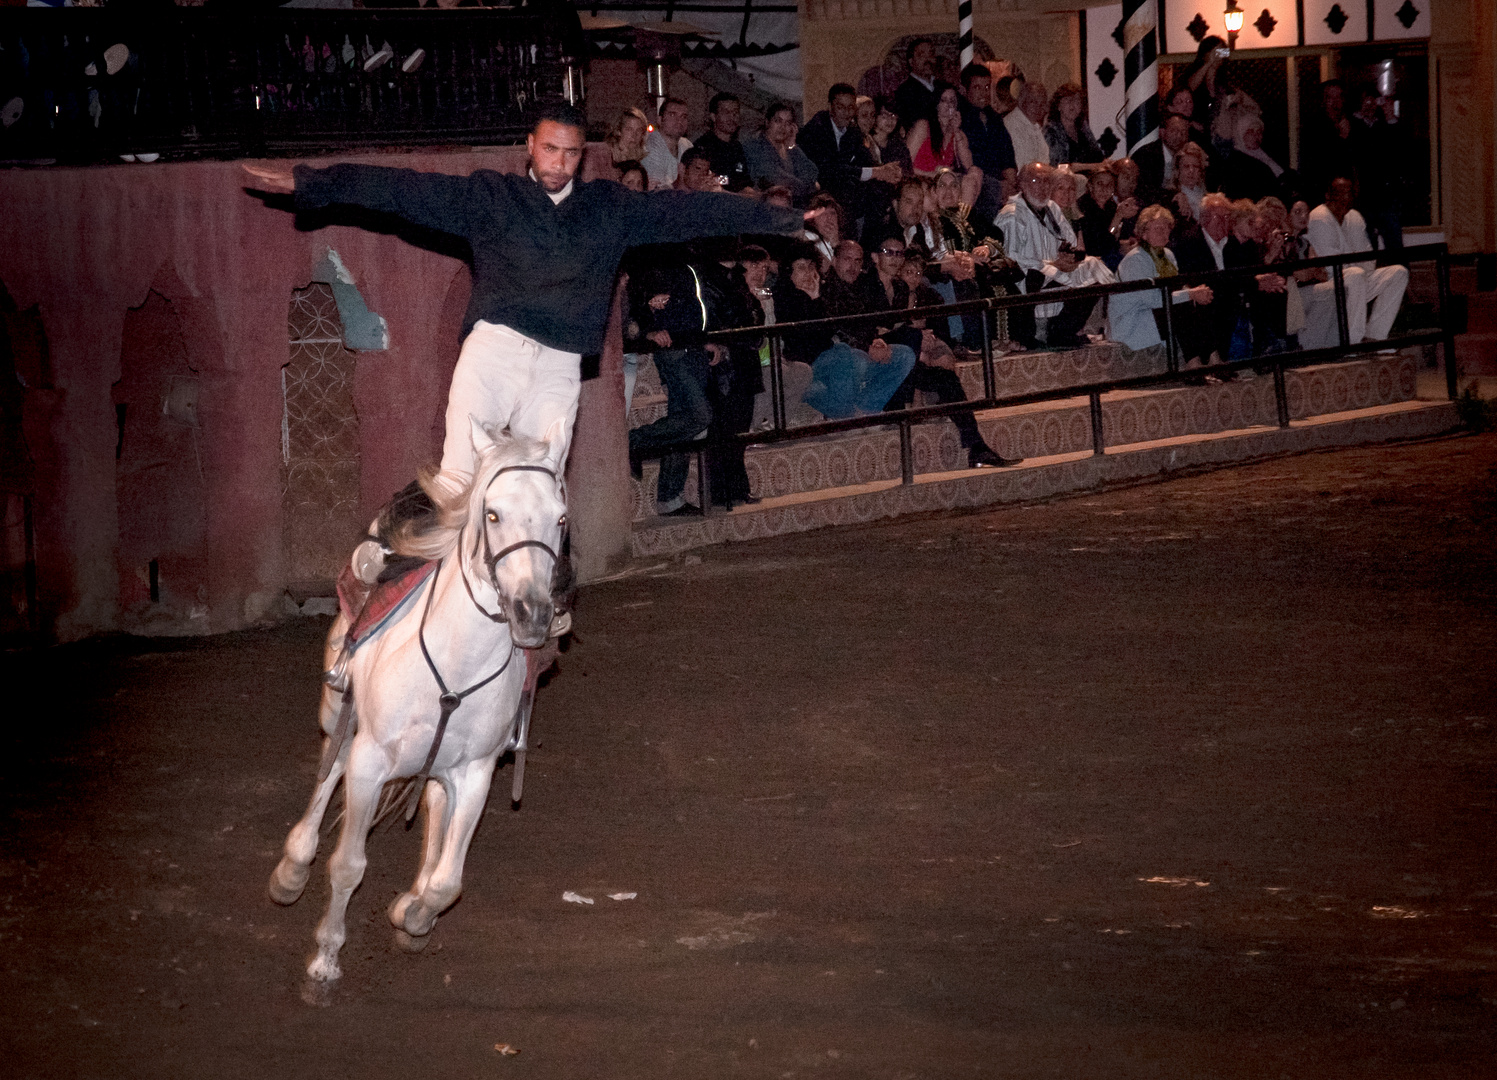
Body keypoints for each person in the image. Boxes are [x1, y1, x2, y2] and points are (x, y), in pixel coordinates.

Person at [244, 103, 816, 580]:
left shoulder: (608, 208)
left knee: (544, 487)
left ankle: (546, 597)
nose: (559, 164)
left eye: (571, 154)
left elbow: (690, 211)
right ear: (530, 146)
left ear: (583, 156)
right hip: (493, 353)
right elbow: (401, 190)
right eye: (550, 150)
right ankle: (386, 555)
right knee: (457, 477)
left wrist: (782, 221)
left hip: (560, 367)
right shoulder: (492, 198)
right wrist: (313, 182)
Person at [852, 234, 1019, 467]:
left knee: (947, 378)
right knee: (911, 337)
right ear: (875, 257)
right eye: (889, 253)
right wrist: (905, 333)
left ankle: (977, 447)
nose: (895, 259)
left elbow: (897, 327)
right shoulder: (865, 285)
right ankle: (901, 407)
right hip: (878, 363)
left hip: (905, 361)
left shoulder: (901, 287)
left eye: (900, 253)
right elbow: (867, 330)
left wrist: (911, 334)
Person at [774, 247, 917, 420]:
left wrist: (875, 341)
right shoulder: (782, 297)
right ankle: (848, 417)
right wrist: (814, 300)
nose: (808, 273)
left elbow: (848, 328)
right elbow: (804, 341)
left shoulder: (824, 292)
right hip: (807, 365)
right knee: (842, 355)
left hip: (835, 358)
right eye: (801, 267)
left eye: (811, 267)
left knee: (904, 354)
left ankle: (865, 410)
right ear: (789, 272)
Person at [994, 161, 1116, 350]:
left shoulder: (1052, 208)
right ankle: (1028, 334)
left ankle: (1063, 330)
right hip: (1026, 276)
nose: (1042, 186)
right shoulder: (1012, 214)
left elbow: (1070, 243)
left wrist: (1069, 258)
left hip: (1055, 268)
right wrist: (1053, 264)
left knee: (1094, 268)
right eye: (1035, 180)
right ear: (1022, 184)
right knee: (1036, 273)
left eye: (1046, 181)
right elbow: (1011, 258)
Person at [1306, 177, 1408, 345]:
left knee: (1398, 272)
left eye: (1348, 194)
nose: (1344, 199)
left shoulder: (1355, 216)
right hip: (1330, 283)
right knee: (1356, 274)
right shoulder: (1319, 216)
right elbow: (1331, 265)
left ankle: (1376, 336)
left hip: (1357, 279)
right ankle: (1352, 341)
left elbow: (1367, 255)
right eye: (1339, 194)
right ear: (1328, 196)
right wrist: (1357, 269)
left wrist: (1361, 271)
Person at [1109, 205, 1213, 356]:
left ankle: (1212, 361)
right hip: (1131, 321)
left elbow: (1176, 288)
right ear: (1143, 234)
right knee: (1182, 309)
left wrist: (1196, 294)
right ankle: (1194, 366)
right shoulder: (1136, 259)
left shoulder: (1167, 255)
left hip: (1153, 314)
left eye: (1167, 228)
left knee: (1202, 306)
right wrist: (1190, 294)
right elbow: (1153, 300)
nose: (1164, 233)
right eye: (1158, 229)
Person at [799, 83, 903, 226]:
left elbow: (866, 162)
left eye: (850, 108)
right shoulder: (817, 128)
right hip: (816, 194)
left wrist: (887, 171)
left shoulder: (852, 131)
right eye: (841, 107)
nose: (846, 113)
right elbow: (831, 170)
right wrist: (877, 172)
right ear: (830, 106)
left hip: (846, 199)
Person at [906, 86, 983, 209]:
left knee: (976, 173)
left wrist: (956, 130)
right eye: (944, 100)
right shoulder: (923, 126)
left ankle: (962, 220)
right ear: (936, 104)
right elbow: (905, 165)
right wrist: (933, 174)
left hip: (943, 181)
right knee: (930, 192)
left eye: (952, 101)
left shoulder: (957, 133)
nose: (949, 105)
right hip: (922, 178)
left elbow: (968, 164)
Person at [958, 61, 1018, 218]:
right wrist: (1000, 186)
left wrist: (1010, 184)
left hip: (1000, 183)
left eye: (986, 87)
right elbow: (969, 164)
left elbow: (1007, 155)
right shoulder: (961, 118)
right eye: (977, 87)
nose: (983, 93)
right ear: (965, 90)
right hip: (976, 184)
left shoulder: (994, 118)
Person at [1351, 84, 1404, 250]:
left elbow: (1399, 152)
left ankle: (1400, 274)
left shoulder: (1385, 126)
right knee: (1366, 245)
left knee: (1394, 244)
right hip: (1362, 197)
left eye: (1373, 102)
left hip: (1386, 197)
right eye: (1365, 102)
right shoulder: (1351, 125)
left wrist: (1391, 119)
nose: (1369, 107)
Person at [743, 101, 819, 205]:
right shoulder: (755, 146)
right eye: (778, 121)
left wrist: (793, 146)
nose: (782, 127)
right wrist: (809, 187)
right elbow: (776, 178)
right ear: (767, 122)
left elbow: (812, 173)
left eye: (787, 123)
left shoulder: (790, 149)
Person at [1217, 113, 1285, 202]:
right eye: (1251, 131)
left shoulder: (1267, 155)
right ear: (1241, 134)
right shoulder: (1234, 161)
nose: (1256, 136)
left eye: (1259, 132)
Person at [692, 93, 751, 193]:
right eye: (726, 113)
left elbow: (744, 180)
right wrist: (729, 180)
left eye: (735, 113)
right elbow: (706, 179)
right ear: (713, 117)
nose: (732, 118)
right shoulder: (703, 146)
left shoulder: (737, 147)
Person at [893, 37, 951, 131]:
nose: (928, 59)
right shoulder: (905, 91)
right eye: (921, 55)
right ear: (911, 62)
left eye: (931, 54)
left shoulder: (943, 87)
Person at [1133, 113, 1191, 203]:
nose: (1179, 136)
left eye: (1183, 133)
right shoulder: (1147, 155)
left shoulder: (1188, 156)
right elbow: (1144, 191)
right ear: (1162, 132)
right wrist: (1172, 196)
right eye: (1174, 131)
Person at [1043, 83, 1103, 168]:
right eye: (1068, 100)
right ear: (1058, 106)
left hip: (1091, 175)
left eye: (1077, 100)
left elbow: (1098, 156)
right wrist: (1093, 166)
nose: (1072, 104)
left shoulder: (1083, 126)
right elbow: (1059, 166)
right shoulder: (1051, 130)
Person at [642, 98, 693, 190]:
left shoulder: (686, 144)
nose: (679, 121)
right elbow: (657, 190)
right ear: (660, 120)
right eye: (672, 115)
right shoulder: (650, 146)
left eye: (684, 117)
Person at [1004, 81, 1050, 172]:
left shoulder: (1034, 126)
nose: (1038, 107)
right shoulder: (1012, 125)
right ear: (1022, 102)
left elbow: (1045, 160)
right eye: (1033, 102)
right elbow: (1023, 167)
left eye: (1042, 103)